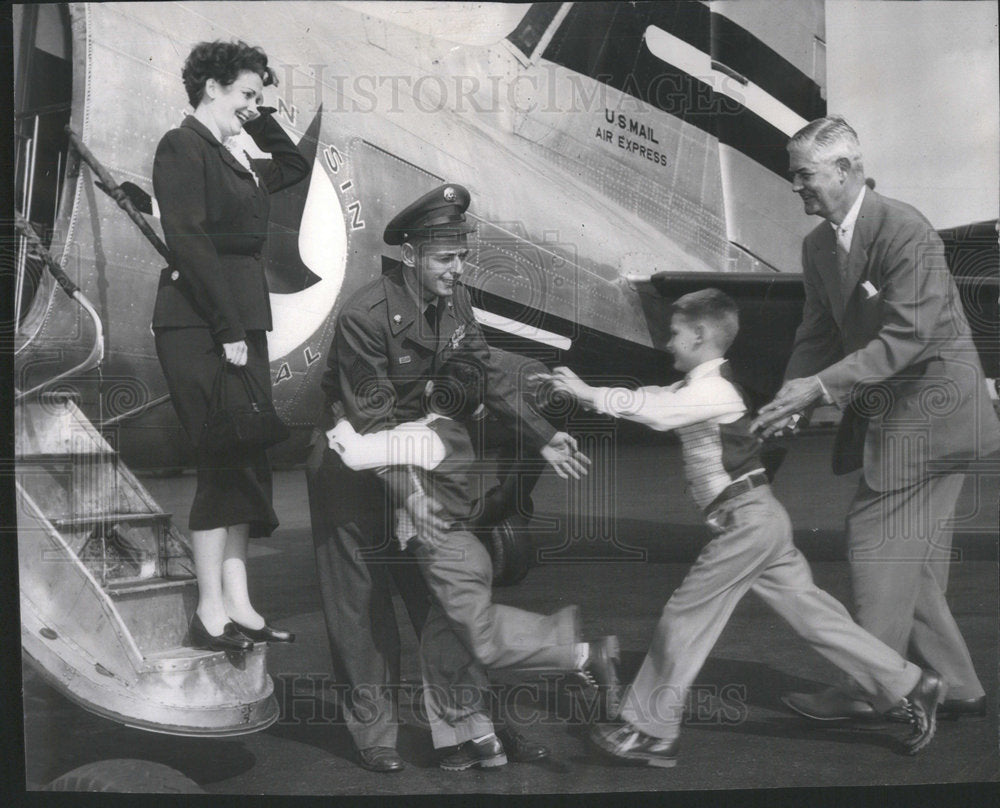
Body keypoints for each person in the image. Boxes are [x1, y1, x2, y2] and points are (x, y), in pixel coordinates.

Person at [546, 289, 943, 768]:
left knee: (684, 616)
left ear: (699, 334)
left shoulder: (715, 391)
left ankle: (651, 731)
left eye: (673, 334)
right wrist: (587, 391)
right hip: (758, 518)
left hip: (747, 522)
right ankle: (909, 683)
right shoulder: (698, 384)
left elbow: (655, 411)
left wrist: (589, 394)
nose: (667, 343)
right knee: (817, 617)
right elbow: (654, 398)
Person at [306, 183, 591, 772]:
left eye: (461, 257)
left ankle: (476, 728)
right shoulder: (365, 316)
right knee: (360, 608)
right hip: (355, 466)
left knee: (447, 604)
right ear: (411, 256)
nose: (456, 270)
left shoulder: (455, 303)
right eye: (444, 258)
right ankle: (376, 734)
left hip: (422, 458)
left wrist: (543, 434)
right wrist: (411, 497)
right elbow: (374, 422)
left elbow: (485, 374)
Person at [752, 116, 1000, 722]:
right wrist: (791, 399)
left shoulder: (904, 229)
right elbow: (816, 333)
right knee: (907, 563)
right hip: (911, 419)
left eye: (803, 173)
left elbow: (909, 336)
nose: (794, 185)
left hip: (934, 416)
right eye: (793, 174)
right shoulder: (817, 247)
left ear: (845, 169)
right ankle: (956, 684)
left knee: (874, 538)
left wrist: (819, 386)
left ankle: (874, 688)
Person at [326, 352, 620, 770]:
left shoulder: (419, 436)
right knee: (442, 649)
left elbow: (354, 454)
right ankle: (477, 739)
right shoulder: (457, 433)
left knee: (481, 638)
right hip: (469, 551)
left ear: (428, 390)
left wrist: (339, 417)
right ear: (479, 407)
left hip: (447, 556)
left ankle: (582, 654)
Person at [152, 40, 309, 652]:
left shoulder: (235, 157)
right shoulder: (182, 146)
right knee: (220, 463)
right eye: (244, 93)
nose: (252, 106)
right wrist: (228, 330)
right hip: (203, 325)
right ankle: (209, 611)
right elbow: (188, 240)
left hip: (242, 321)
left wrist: (261, 109)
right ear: (210, 87)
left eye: (258, 96)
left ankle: (240, 604)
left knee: (247, 460)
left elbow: (292, 165)